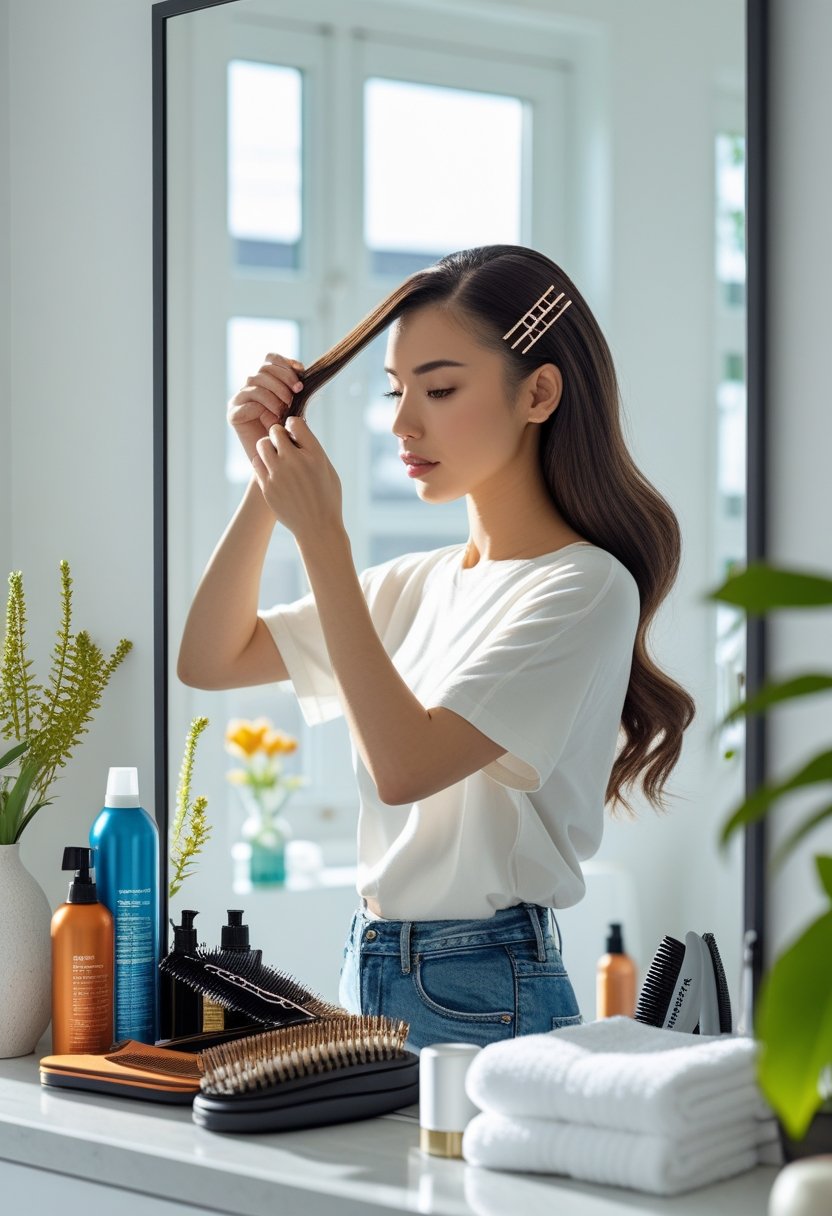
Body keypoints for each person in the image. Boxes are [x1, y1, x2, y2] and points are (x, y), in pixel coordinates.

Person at [177, 244, 695, 1051]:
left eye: (441, 388)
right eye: (395, 390)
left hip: (483, 980)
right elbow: (209, 660)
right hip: (374, 962)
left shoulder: (585, 588)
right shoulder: (413, 584)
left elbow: (405, 769)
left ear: (541, 392)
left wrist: (323, 537)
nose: (402, 423)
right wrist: (265, 479)